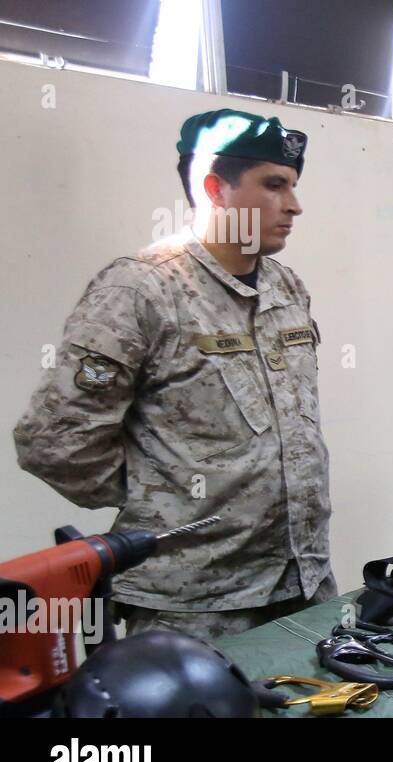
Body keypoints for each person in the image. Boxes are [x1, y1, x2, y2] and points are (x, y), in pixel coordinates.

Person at [13, 108, 336, 641]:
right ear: (216, 188)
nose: (295, 205)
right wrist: (161, 496)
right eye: (275, 185)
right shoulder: (142, 291)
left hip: (301, 581)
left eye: (294, 187)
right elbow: (54, 442)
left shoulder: (286, 287)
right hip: (191, 604)